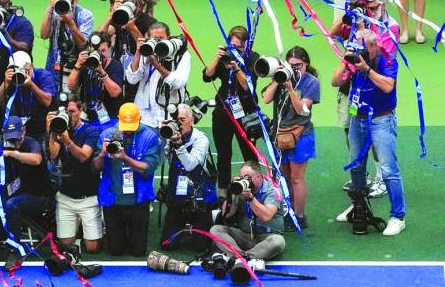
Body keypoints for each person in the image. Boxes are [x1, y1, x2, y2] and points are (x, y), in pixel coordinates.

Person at [332, 30, 406, 235]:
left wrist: (366, 70)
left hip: (381, 119)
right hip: (358, 119)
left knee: (389, 169)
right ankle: (359, 207)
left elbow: (388, 87)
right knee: (356, 167)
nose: (360, 53)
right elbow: (335, 81)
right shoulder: (354, 62)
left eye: (363, 48)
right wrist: (345, 60)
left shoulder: (389, 60)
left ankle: (398, 216)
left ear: (374, 46)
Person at [0, 115, 53, 270]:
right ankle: (5, 232)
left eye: (16, 137)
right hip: (13, 192)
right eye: (10, 138)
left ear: (23, 131)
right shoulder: (1, 146)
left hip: (38, 195)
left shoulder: (32, 143)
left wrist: (11, 153)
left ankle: (15, 249)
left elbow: (36, 159)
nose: (14, 142)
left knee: (11, 204)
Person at [261, 46, 319, 228]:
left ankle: (299, 216)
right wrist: (278, 80)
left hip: (300, 134)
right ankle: (288, 211)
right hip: (280, 135)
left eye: (299, 65)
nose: (295, 69)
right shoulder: (280, 78)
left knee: (296, 177)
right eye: (291, 65)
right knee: (283, 177)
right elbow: (266, 99)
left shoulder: (311, 82)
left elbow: (301, 110)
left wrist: (291, 89)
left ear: (306, 63)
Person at [94, 102, 162, 257]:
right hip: (113, 200)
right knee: (115, 251)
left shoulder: (150, 137)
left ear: (140, 119)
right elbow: (96, 167)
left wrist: (125, 158)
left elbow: (148, 169)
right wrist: (102, 154)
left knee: (138, 251)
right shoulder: (106, 135)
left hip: (138, 201)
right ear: (118, 118)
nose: (128, 132)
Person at [202, 26, 261, 190]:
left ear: (247, 46)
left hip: (246, 114)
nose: (236, 51)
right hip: (223, 111)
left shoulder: (253, 59)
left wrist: (236, 68)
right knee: (223, 154)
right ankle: (223, 192)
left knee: (250, 155)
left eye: (240, 47)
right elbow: (207, 76)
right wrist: (218, 57)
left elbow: (247, 87)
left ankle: (254, 189)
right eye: (233, 46)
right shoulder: (225, 57)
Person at [46, 96, 101, 254]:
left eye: (72, 111)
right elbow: (53, 155)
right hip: (66, 196)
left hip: (88, 195)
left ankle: (92, 222)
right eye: (65, 112)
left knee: (93, 248)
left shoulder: (90, 130)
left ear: (80, 112)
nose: (69, 116)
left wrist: (68, 141)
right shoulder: (60, 129)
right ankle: (77, 222)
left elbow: (84, 156)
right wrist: (51, 131)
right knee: (65, 245)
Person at [157, 104, 215, 251]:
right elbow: (158, 159)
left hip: (199, 198)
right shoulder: (170, 136)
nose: (178, 123)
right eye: (175, 120)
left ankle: (212, 218)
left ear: (192, 120)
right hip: (178, 195)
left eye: (182, 119)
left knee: (201, 247)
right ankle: (181, 227)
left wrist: (178, 144)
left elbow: (190, 164)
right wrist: (162, 138)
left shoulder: (200, 139)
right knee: (168, 245)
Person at [209, 161, 286, 269]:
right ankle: (243, 259)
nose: (245, 181)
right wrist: (232, 194)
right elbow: (226, 215)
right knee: (216, 230)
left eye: (248, 178)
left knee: (278, 242)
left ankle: (240, 258)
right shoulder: (240, 189)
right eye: (242, 177)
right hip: (245, 235)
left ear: (259, 177)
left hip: (267, 237)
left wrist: (250, 198)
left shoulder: (273, 189)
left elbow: (266, 216)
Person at [124, 22, 191, 129]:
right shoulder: (146, 50)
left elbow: (179, 82)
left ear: (168, 38)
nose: (157, 41)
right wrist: (138, 51)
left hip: (168, 115)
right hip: (144, 116)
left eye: (161, 38)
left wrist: (156, 64)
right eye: (154, 38)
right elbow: (132, 79)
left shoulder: (181, 55)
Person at [0, 51, 56, 141]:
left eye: (22, 69)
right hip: (17, 129)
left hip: (39, 128)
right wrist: (5, 83)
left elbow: (47, 101)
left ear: (30, 66)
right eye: (15, 69)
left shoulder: (43, 75)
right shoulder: (12, 78)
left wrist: (31, 85)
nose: (19, 72)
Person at [67, 31, 124, 130]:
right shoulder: (85, 64)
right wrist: (77, 65)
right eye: (96, 51)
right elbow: (71, 86)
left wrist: (102, 72)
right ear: (90, 49)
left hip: (110, 119)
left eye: (103, 51)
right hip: (88, 118)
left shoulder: (115, 65)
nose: (100, 55)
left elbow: (115, 93)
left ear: (109, 50)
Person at [40, 0, 93, 80]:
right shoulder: (54, 13)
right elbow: (44, 35)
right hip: (53, 66)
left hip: (76, 68)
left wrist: (70, 23)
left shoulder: (85, 15)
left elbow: (83, 44)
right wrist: (50, 8)